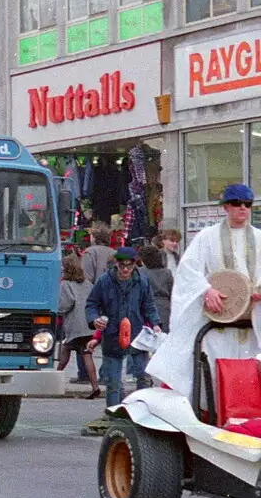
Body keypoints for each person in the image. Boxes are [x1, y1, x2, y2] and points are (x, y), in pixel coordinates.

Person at [148, 184, 261, 399]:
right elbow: (188, 270)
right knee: (213, 373)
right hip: (216, 324)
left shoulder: (259, 237)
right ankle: (212, 415)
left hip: (253, 324)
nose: (243, 209)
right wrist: (206, 290)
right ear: (226, 207)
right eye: (237, 204)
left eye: (248, 205)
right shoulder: (207, 237)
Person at [84, 248, 161, 431]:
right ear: (116, 264)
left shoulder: (141, 281)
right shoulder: (105, 281)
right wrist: (94, 320)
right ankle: (113, 416)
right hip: (112, 335)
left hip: (136, 335)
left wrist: (156, 323)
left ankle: (142, 415)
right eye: (122, 265)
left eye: (129, 265)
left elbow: (149, 305)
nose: (125, 269)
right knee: (113, 380)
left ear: (135, 264)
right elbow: (91, 304)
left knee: (143, 375)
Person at [56, 253, 101, 400]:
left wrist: (58, 309)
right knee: (87, 355)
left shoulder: (65, 284)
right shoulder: (87, 283)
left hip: (74, 326)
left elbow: (66, 304)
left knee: (65, 352)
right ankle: (95, 386)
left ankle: (55, 380)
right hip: (88, 324)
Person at [140, 246, 174, 335]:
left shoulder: (141, 272)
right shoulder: (167, 272)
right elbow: (171, 291)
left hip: (146, 306)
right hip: (165, 307)